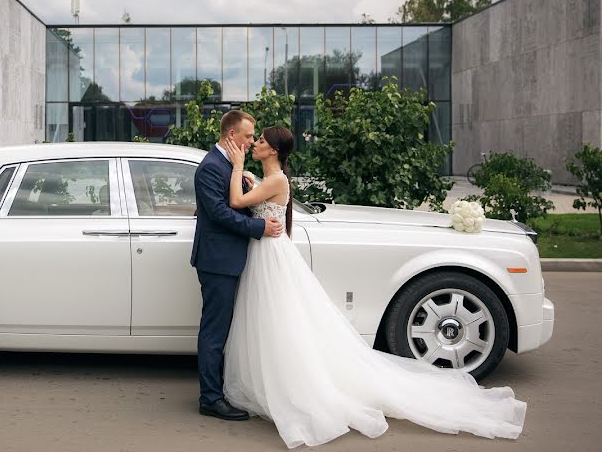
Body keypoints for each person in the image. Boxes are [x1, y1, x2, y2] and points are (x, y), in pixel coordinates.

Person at [221, 126, 527, 448]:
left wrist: (239, 166)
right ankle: (271, 380)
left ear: (273, 150)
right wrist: (248, 176)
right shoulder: (271, 179)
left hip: (271, 256)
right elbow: (253, 196)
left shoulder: (276, 180)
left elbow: (237, 201)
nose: (254, 144)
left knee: (280, 321)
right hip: (267, 252)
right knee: (270, 321)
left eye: (260, 141)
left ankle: (288, 385)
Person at [191, 110, 284, 421]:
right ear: (231, 135)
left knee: (223, 327)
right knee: (214, 330)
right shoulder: (210, 167)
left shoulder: (229, 166)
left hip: (231, 257)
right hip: (218, 260)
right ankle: (210, 399)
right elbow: (219, 213)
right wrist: (259, 229)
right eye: (247, 136)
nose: (250, 142)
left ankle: (221, 391)